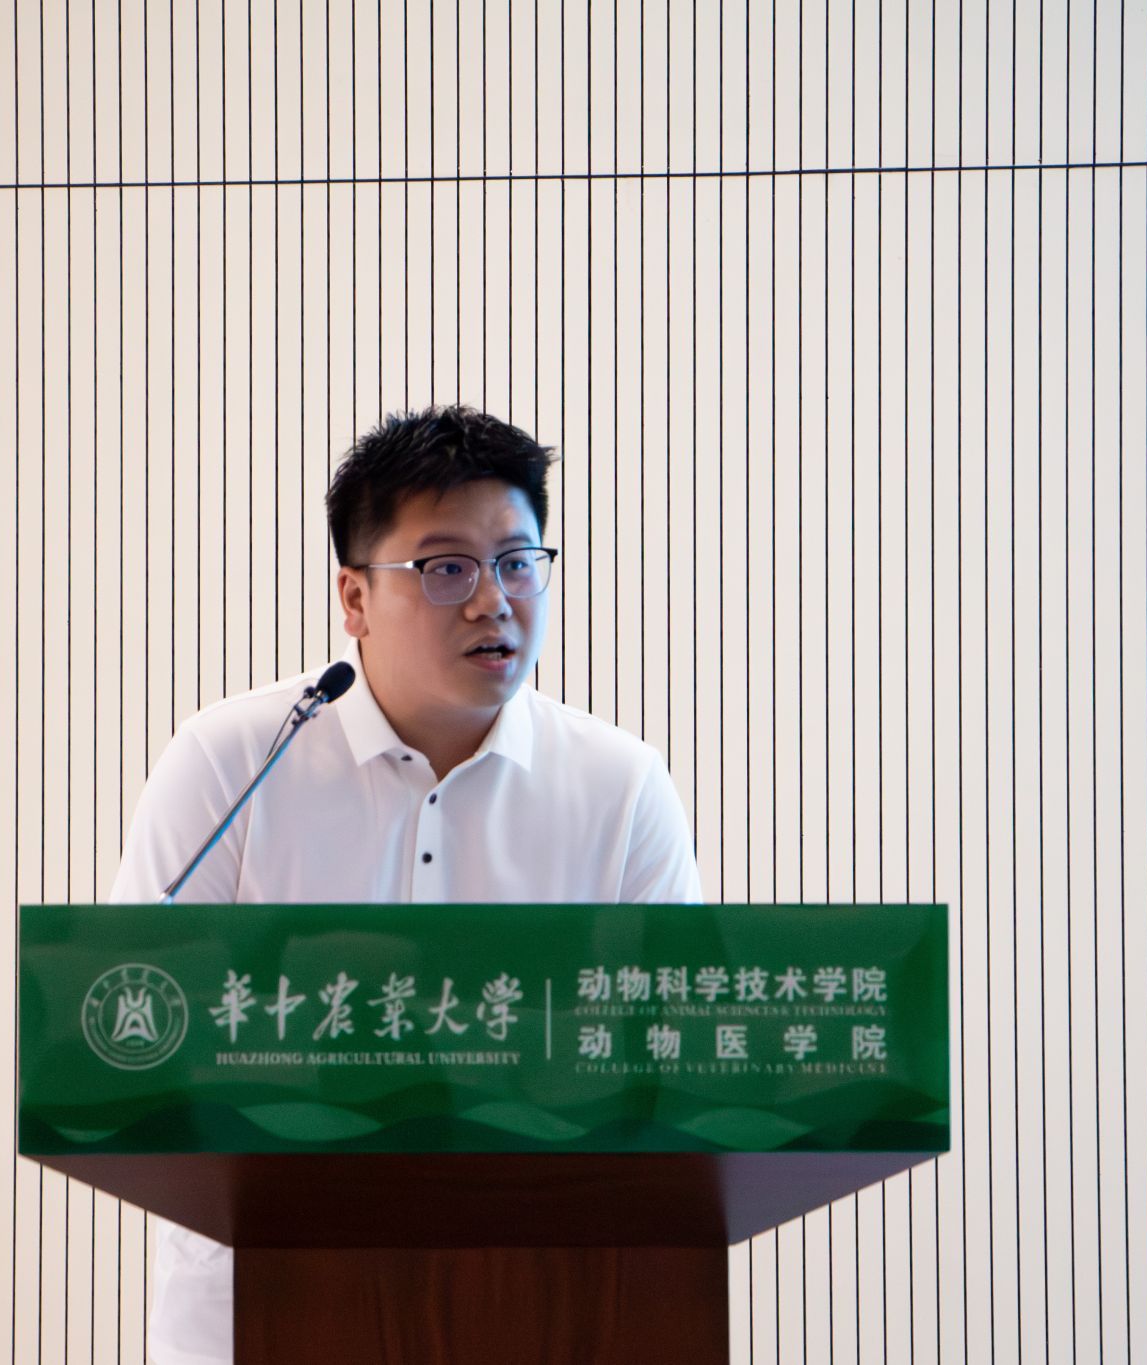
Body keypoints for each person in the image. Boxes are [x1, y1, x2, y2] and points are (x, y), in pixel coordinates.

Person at [107, 403, 703, 1365]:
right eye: (446, 568)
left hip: (542, 1305)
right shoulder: (232, 762)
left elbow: (680, 1057)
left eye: (518, 562)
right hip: (260, 1311)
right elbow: (132, 1028)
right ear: (354, 596)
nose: (493, 600)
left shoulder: (620, 786)